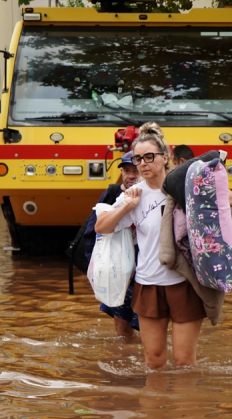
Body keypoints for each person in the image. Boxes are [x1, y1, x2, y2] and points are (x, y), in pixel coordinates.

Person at [95, 122, 208, 370]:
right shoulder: (134, 194)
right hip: (148, 285)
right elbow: (100, 226)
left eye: (149, 157)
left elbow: (228, 198)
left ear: (165, 157)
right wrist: (127, 207)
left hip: (184, 282)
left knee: (184, 362)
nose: (143, 163)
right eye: (138, 159)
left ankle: (185, 408)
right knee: (154, 361)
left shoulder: (184, 186)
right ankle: (155, 409)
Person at [84, 151, 140, 339]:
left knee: (152, 328)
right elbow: (93, 231)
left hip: (147, 271)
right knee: (122, 331)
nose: (131, 175)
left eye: (136, 170)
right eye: (126, 170)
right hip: (120, 272)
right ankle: (124, 361)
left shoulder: (158, 194)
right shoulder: (113, 193)